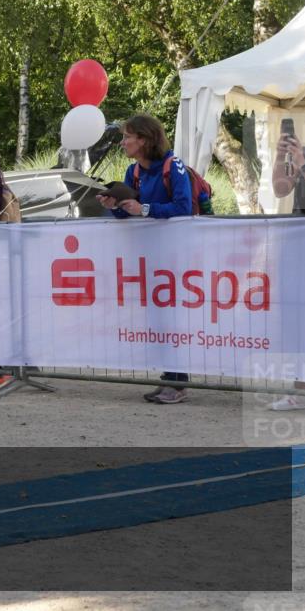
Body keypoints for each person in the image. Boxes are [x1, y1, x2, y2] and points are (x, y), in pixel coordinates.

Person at [96, 114, 192, 404]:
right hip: (149, 256)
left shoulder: (173, 165)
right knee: (159, 317)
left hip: (176, 256)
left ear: (144, 139)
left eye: (127, 137)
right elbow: (128, 212)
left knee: (173, 317)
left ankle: (178, 382)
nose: (123, 142)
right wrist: (113, 205)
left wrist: (145, 209)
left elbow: (184, 207)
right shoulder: (133, 170)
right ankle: (170, 377)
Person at [266, 128, 305, 410]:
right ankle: (301, 391)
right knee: (297, 320)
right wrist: (280, 155)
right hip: (299, 246)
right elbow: (281, 189)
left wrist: (303, 163)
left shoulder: (304, 157)